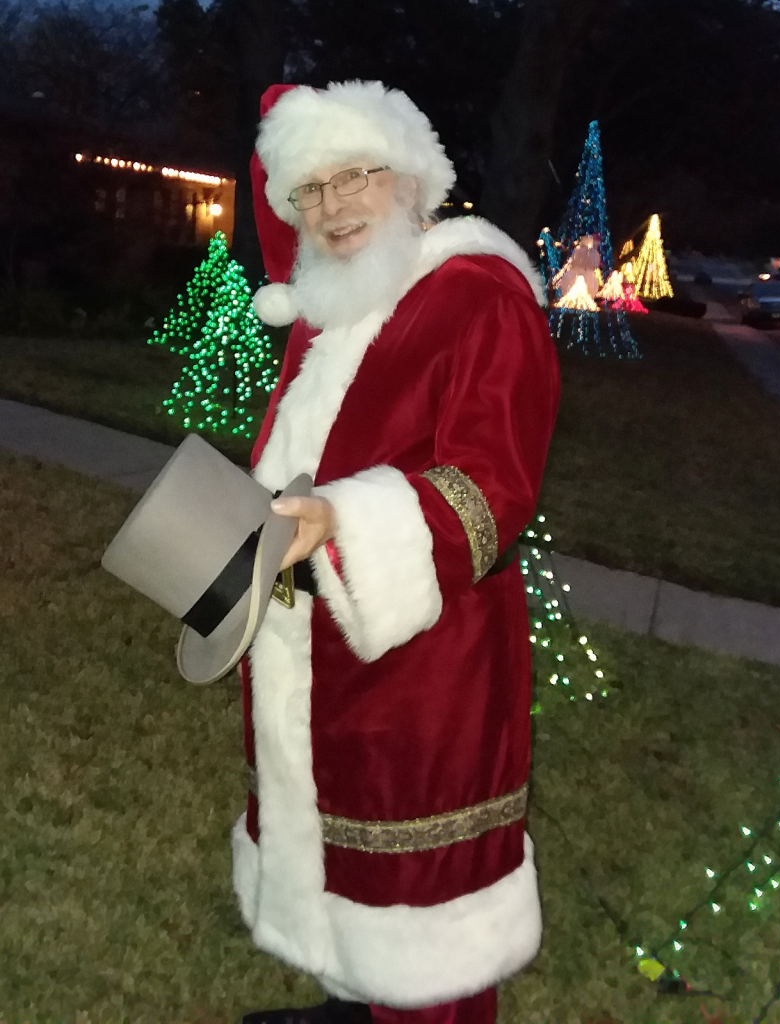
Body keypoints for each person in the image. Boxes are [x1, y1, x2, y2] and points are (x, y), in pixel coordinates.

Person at [233, 80, 561, 1024]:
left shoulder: (477, 297)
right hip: (313, 636)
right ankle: (351, 998)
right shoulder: (338, 298)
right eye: (310, 189)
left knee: (423, 897)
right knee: (331, 840)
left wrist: (345, 521)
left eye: (354, 177)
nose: (332, 206)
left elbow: (494, 488)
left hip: (432, 661)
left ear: (410, 178)